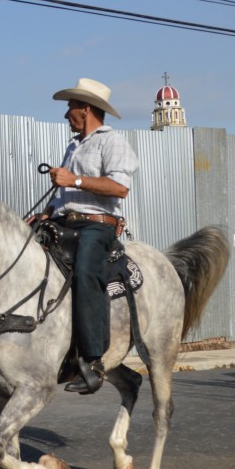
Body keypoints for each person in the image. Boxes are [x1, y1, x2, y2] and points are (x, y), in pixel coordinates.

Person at [37, 78, 140, 394]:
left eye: (70, 107)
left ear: (86, 109)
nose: (66, 114)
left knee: (85, 272)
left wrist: (76, 180)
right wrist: (46, 213)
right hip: (66, 221)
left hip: (98, 226)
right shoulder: (74, 146)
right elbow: (65, 193)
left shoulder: (112, 142)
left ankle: (94, 360)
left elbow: (120, 188)